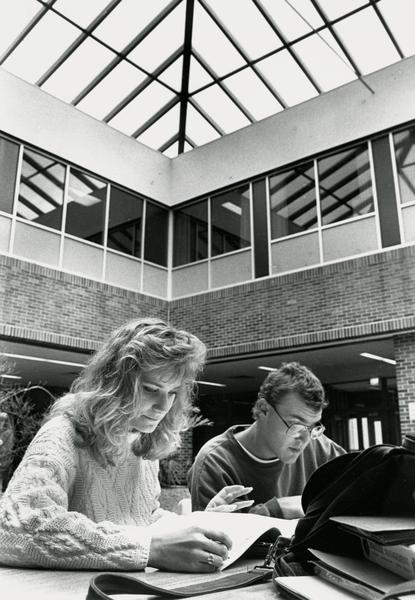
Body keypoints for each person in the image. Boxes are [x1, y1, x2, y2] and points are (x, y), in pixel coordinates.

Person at [0, 318, 251, 572]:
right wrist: (149, 548)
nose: (164, 406)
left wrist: (199, 523)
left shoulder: (142, 442)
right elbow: (15, 528)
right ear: (114, 383)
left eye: (172, 392)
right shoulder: (63, 433)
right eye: (151, 388)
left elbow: (142, 521)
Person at [188, 362, 346, 519]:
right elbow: (216, 532)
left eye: (312, 427)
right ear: (264, 409)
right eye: (295, 425)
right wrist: (275, 510)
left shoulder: (322, 448)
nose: (305, 439)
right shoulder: (215, 462)